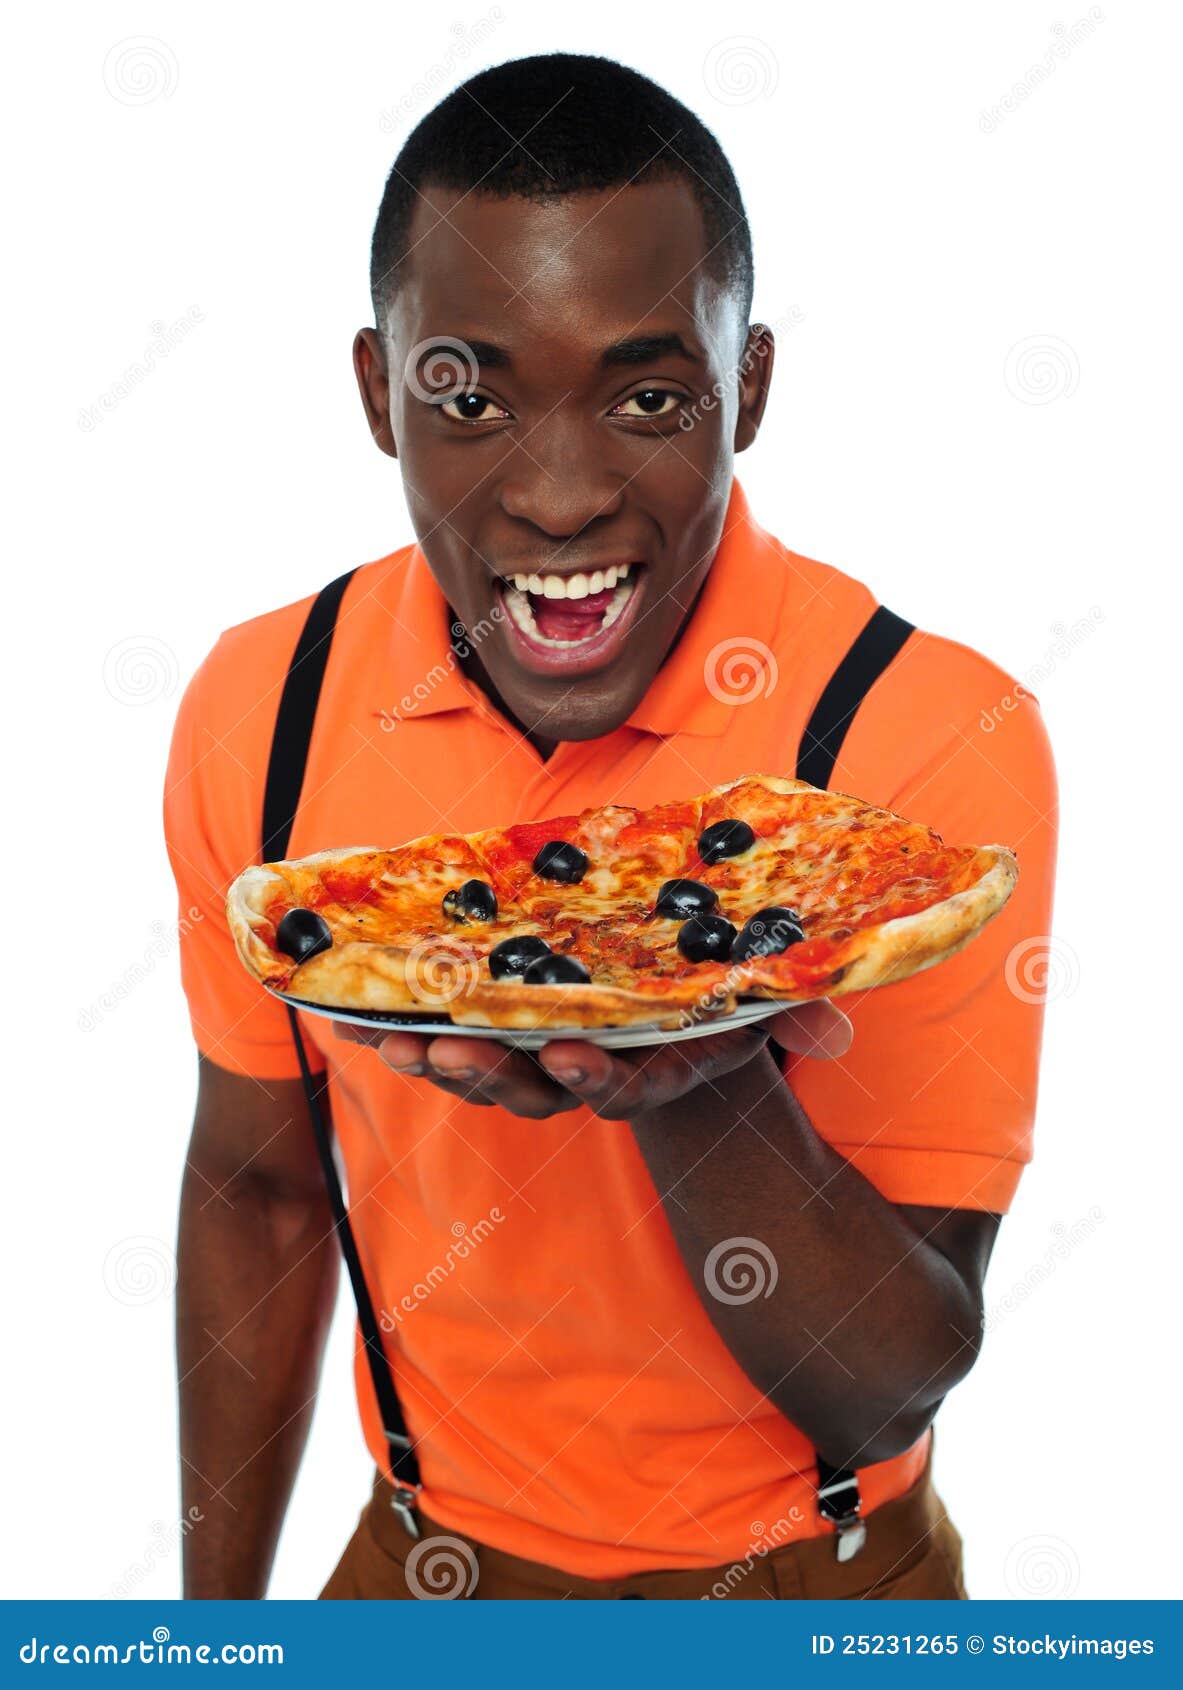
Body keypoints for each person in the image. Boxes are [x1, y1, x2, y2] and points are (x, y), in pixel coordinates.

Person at [164, 53, 1057, 1601]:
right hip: (421, 1563)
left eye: (649, 397)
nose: (562, 495)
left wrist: (693, 1064)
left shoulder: (920, 738)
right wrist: (209, 1640)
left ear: (748, 389)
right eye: (471, 398)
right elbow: (259, 1191)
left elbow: (888, 1386)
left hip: (814, 1585)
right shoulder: (268, 703)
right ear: (378, 396)